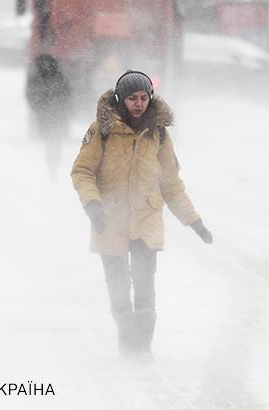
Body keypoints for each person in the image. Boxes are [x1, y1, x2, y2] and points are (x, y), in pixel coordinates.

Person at [71, 70, 213, 359]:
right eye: (132, 98)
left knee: (145, 284)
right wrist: (93, 205)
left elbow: (171, 185)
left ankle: (143, 346)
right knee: (119, 287)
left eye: (143, 97)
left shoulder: (159, 135)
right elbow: (83, 171)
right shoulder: (102, 130)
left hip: (146, 220)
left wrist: (194, 221)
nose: (139, 103)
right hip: (109, 220)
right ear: (121, 100)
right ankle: (127, 341)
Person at [26, 54, 71, 180]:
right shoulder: (37, 80)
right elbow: (31, 96)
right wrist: (40, 107)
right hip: (47, 116)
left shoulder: (58, 78)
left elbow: (67, 94)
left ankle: (53, 166)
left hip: (56, 116)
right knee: (51, 142)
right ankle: (51, 167)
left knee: (55, 142)